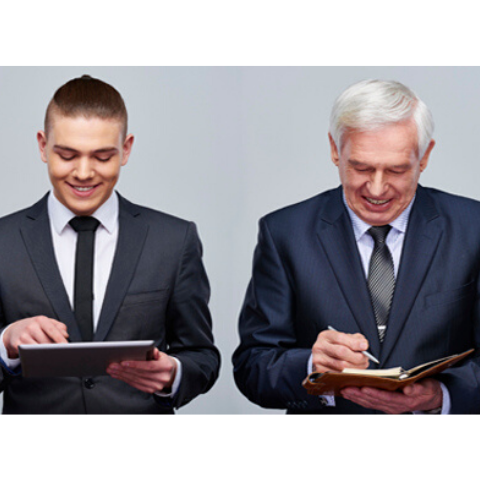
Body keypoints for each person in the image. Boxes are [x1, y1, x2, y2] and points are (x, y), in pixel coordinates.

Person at [233, 79, 480, 414]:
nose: (377, 189)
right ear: (335, 151)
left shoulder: (473, 228)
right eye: (361, 167)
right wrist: (310, 365)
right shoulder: (284, 234)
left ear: (425, 156)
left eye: (396, 170)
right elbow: (252, 368)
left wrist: (442, 396)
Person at [0, 75, 220, 414]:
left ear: (126, 149)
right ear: (43, 146)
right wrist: (6, 344)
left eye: (102, 157)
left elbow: (202, 356)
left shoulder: (174, 240)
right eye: (67, 155)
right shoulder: (4, 240)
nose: (84, 173)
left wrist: (173, 374)